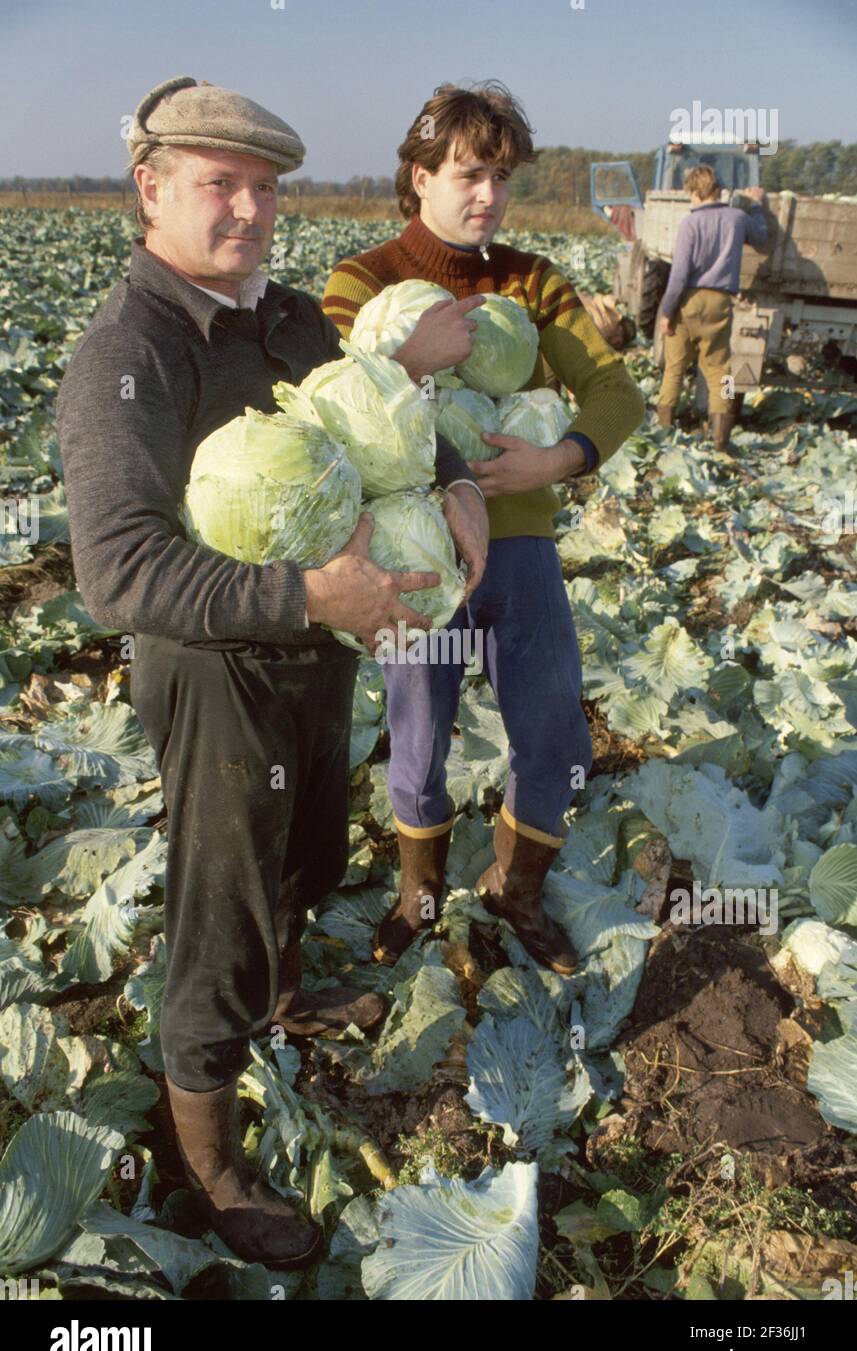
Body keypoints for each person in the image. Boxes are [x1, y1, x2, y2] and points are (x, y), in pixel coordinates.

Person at [55, 75, 486, 1270]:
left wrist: (450, 478)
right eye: (217, 185)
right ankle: (210, 1151)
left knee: (304, 854)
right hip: (213, 675)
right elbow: (120, 573)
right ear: (151, 190)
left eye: (263, 188)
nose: (247, 209)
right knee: (220, 907)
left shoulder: (290, 318)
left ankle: (283, 996)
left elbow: (380, 405)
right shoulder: (126, 355)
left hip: (313, 656)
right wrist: (304, 594)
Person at [322, 81, 645, 980]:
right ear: (418, 175)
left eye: (502, 178)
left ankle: (518, 891)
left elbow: (617, 391)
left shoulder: (533, 280)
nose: (488, 197)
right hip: (416, 552)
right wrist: (400, 360)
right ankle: (417, 897)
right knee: (417, 735)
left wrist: (560, 460)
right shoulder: (363, 281)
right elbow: (333, 408)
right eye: (469, 174)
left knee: (553, 734)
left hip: (521, 546)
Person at [656, 165, 768, 448]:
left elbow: (679, 275)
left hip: (689, 301)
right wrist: (756, 207)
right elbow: (762, 240)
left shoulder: (690, 223)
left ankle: (664, 434)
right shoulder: (738, 218)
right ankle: (721, 440)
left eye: (690, 195)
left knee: (674, 369)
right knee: (722, 372)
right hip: (721, 303)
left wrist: (667, 313)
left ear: (696, 192)